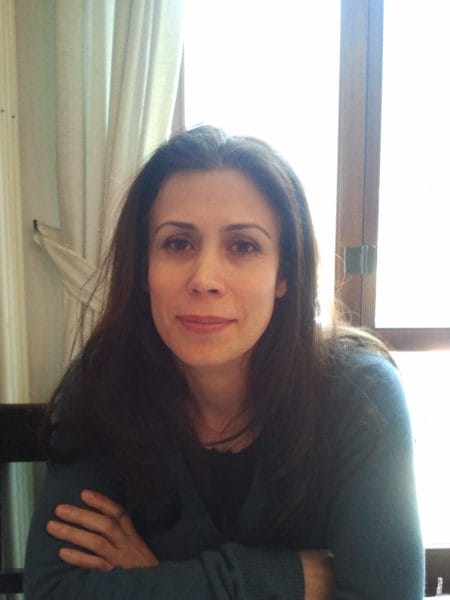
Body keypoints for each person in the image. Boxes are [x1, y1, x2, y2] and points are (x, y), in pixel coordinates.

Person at [24, 126, 424, 599]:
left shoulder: (360, 394)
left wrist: (155, 575)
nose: (205, 278)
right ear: (143, 268)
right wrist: (285, 580)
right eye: (177, 243)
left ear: (284, 274)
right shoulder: (103, 384)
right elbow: (53, 592)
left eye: (243, 246)